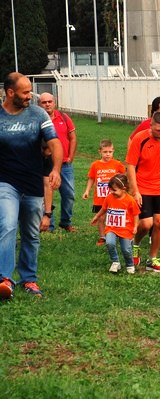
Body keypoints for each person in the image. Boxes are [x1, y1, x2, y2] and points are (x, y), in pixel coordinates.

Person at [0, 73, 63, 300]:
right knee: (7, 225)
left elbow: (54, 142)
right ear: (10, 93)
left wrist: (55, 169)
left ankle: (29, 279)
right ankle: (5, 279)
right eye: (25, 92)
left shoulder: (38, 114)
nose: (30, 96)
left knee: (31, 234)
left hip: (34, 184)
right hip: (5, 183)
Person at [127, 112, 160, 272]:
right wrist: (135, 191)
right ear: (151, 125)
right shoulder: (140, 139)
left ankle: (152, 258)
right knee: (146, 224)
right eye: (159, 130)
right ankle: (135, 244)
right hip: (143, 187)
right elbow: (130, 166)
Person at [39, 92, 78, 232]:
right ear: (39, 104)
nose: (47, 104)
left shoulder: (64, 118)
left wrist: (71, 156)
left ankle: (65, 221)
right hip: (46, 164)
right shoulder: (38, 120)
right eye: (44, 102)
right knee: (47, 193)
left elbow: (72, 137)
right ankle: (49, 225)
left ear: (54, 103)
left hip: (65, 164)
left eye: (50, 101)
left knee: (69, 194)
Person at [91, 174, 140, 274]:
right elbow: (104, 208)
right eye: (110, 189)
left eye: (114, 190)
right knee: (109, 243)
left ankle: (130, 264)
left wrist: (135, 226)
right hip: (111, 227)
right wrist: (96, 216)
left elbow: (136, 214)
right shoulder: (109, 198)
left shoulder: (130, 200)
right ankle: (115, 261)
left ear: (124, 188)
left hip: (126, 229)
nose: (112, 192)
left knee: (126, 249)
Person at [82, 139, 126, 245]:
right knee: (101, 217)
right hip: (100, 198)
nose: (107, 154)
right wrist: (87, 190)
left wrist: (123, 188)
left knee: (113, 216)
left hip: (114, 197)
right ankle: (103, 237)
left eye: (110, 152)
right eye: (105, 152)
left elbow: (124, 175)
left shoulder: (117, 164)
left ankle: (117, 234)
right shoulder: (95, 165)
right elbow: (91, 178)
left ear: (113, 151)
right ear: (100, 152)